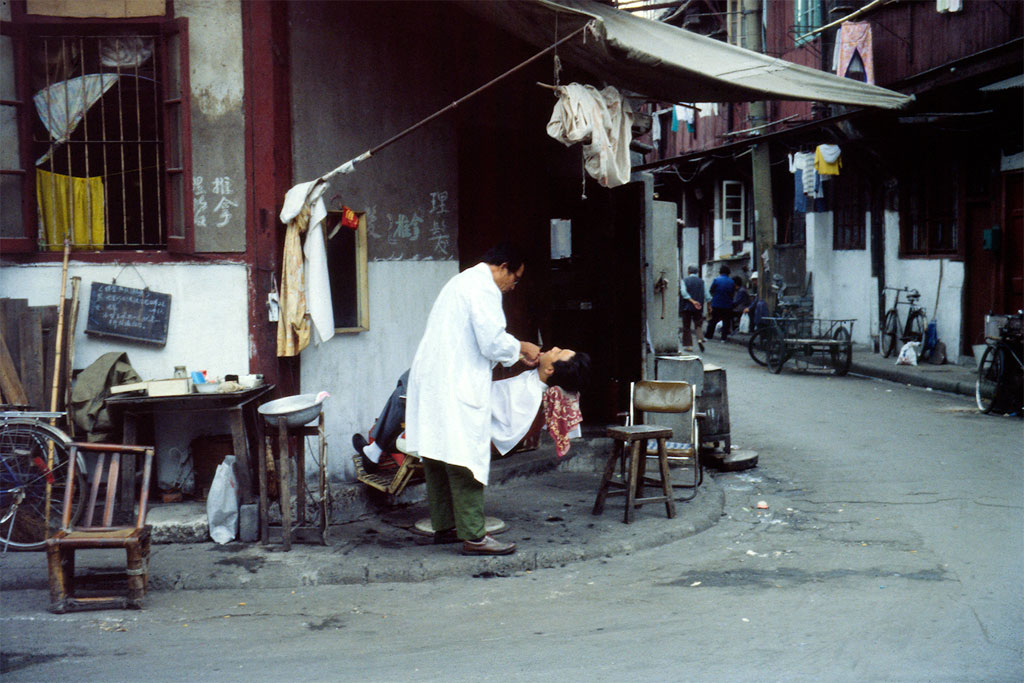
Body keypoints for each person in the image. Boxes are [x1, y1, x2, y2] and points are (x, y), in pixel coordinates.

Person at [405, 243, 541, 556]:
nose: (512, 287)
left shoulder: (461, 281)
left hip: (433, 379)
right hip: (454, 381)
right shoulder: (483, 288)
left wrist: (515, 351)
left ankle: (445, 526)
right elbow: (492, 342)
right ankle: (474, 536)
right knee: (464, 456)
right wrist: (522, 348)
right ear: (503, 267)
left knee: (438, 453)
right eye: (515, 279)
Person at [353, 348, 591, 473]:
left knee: (412, 380)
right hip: (465, 409)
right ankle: (375, 450)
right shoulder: (532, 385)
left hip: (463, 422)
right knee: (411, 381)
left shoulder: (526, 395)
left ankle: (376, 449)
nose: (555, 347)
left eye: (558, 353)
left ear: (550, 370)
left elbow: (484, 404)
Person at [679, 264, 705, 352]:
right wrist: (709, 306)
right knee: (698, 324)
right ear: (697, 272)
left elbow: (683, 292)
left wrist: (692, 301)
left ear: (688, 272)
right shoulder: (701, 281)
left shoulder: (684, 280)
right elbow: (707, 295)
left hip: (687, 307)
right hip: (698, 307)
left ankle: (688, 345)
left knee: (686, 326)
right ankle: (699, 338)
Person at [706, 264, 736, 341]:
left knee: (713, 320)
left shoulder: (716, 280)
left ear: (720, 272)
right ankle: (723, 338)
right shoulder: (732, 282)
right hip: (727, 304)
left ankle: (709, 336)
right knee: (726, 322)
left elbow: (711, 290)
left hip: (716, 303)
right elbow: (732, 293)